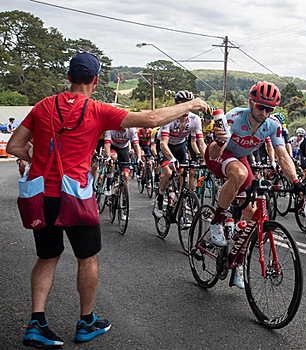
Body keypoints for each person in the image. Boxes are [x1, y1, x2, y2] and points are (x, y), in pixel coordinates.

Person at [7, 52, 211, 348]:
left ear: (68, 77)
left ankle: (37, 323)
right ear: (96, 79)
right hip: (76, 196)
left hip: (43, 195)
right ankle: (86, 322)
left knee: (47, 257)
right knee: (87, 258)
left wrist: (42, 160)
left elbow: (14, 145)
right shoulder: (98, 110)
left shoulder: (43, 106)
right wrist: (190, 105)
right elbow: (151, 119)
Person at [206, 81, 306, 289]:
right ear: (251, 103)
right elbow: (215, 153)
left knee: (252, 214)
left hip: (240, 160)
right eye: (261, 107)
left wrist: (296, 182)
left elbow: (283, 155)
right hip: (219, 155)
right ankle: (217, 220)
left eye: (270, 109)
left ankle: (238, 264)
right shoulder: (234, 117)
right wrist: (218, 142)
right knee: (240, 173)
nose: (265, 112)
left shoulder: (273, 126)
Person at [153, 90, 206, 218]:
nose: (186, 107)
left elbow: (201, 142)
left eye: (189, 103)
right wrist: (171, 159)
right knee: (168, 172)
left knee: (185, 172)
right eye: (183, 103)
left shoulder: (195, 119)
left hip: (180, 146)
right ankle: (159, 197)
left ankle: (182, 200)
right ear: (176, 105)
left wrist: (206, 159)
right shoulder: (169, 118)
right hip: (165, 146)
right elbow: (163, 144)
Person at [103, 127, 141, 196]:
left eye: (124, 130)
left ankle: (124, 197)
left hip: (124, 148)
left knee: (126, 175)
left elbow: (136, 144)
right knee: (113, 157)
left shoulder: (132, 129)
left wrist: (139, 158)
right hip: (113, 146)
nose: (121, 132)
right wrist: (108, 157)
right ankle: (108, 186)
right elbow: (107, 145)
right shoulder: (111, 128)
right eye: (119, 129)